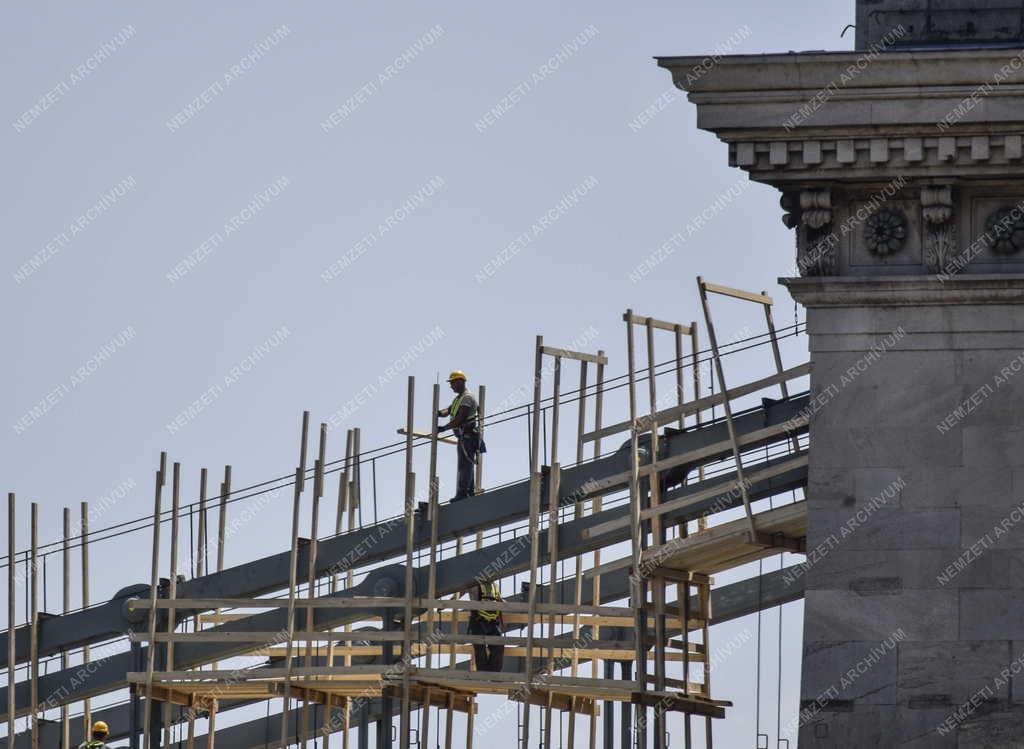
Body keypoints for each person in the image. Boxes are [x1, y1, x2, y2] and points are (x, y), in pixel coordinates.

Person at [437, 370, 484, 500]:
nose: (451, 386)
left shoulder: (467, 398)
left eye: (453, 383)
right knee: (466, 464)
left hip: (468, 436)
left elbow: (460, 418)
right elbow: (449, 410)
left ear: (460, 382)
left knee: (465, 465)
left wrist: (444, 428)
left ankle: (463, 493)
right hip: (463, 437)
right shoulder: (459, 398)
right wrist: (439, 413)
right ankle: (468, 491)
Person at [467, 580, 504, 672]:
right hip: (478, 622)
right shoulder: (476, 585)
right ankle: (483, 676)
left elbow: (500, 600)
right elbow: (462, 590)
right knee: (480, 652)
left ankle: (494, 677)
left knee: (498, 648)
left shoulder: (495, 586)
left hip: (493, 622)